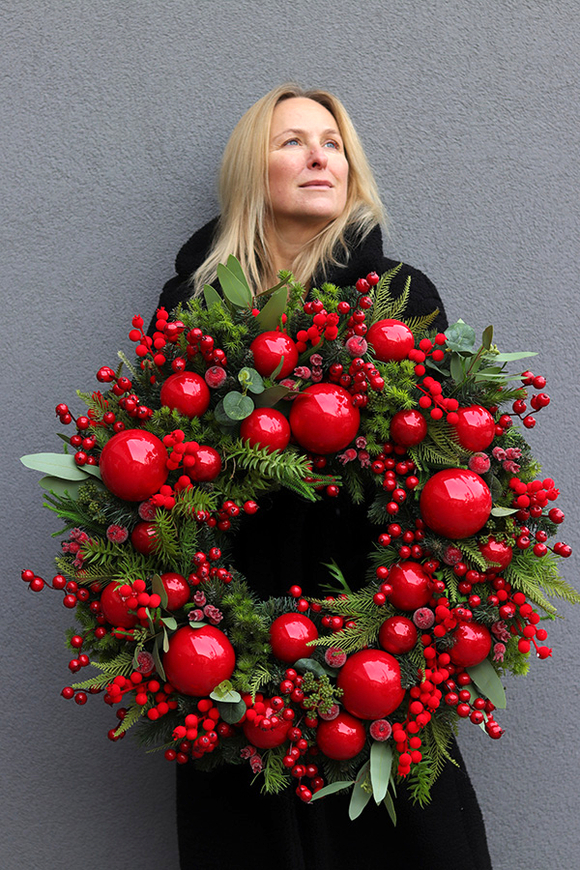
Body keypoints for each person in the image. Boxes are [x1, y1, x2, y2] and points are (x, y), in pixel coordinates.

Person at [152, 84, 493, 870]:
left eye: (333, 144)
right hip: (229, 654)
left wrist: (401, 620)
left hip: (379, 648)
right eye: (292, 142)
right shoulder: (192, 306)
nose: (318, 156)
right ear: (252, 170)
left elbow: (444, 469)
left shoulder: (401, 300)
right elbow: (163, 478)